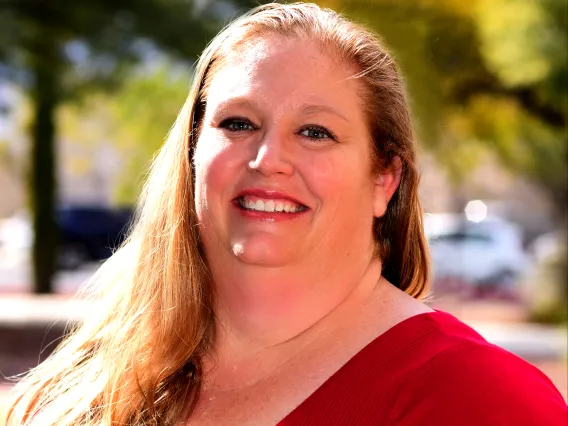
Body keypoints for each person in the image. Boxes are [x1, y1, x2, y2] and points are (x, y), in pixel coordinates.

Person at [7, 3, 567, 425]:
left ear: (384, 181)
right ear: (193, 153)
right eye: (238, 123)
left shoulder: (479, 401)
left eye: (315, 132)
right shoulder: (78, 390)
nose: (268, 159)